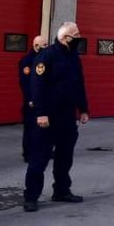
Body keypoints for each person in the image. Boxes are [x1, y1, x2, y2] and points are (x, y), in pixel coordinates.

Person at [24, 22, 90, 212]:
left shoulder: (74, 57)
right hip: (47, 117)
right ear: (64, 37)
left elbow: (79, 85)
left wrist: (83, 109)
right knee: (40, 158)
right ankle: (31, 196)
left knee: (65, 156)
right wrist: (41, 113)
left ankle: (61, 190)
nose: (79, 37)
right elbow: (37, 86)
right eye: (75, 34)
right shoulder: (47, 56)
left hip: (67, 116)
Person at [18, 35, 47, 162]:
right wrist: (30, 98)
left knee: (43, 127)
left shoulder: (45, 59)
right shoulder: (27, 61)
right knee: (30, 128)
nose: (47, 48)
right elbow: (25, 83)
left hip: (43, 99)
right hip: (31, 101)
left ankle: (42, 150)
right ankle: (28, 153)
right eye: (44, 45)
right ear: (36, 46)